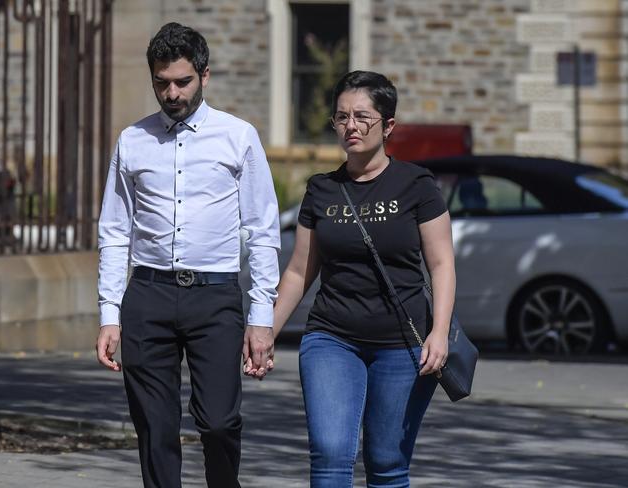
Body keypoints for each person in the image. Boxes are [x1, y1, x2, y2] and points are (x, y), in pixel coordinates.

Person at [95, 22, 280, 488]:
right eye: (162, 83)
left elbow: (261, 231)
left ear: (205, 75)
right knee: (155, 429)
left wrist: (261, 318)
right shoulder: (132, 141)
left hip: (214, 297)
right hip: (148, 295)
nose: (172, 92)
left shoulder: (238, 137)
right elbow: (115, 231)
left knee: (218, 422)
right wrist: (109, 314)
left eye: (182, 81)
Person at [272, 70, 456, 487]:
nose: (350, 126)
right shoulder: (322, 190)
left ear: (388, 125)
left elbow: (442, 264)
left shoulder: (417, 185)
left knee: (387, 464)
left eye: (362, 117)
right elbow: (300, 270)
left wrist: (440, 332)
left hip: (404, 347)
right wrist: (266, 331)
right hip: (332, 338)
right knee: (330, 455)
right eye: (341, 117)